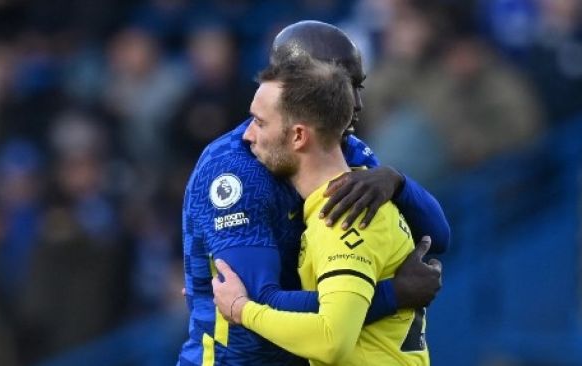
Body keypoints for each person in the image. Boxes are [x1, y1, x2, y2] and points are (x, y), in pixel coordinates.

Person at [178, 21, 449, 366]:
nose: (358, 102)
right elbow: (255, 303)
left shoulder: (350, 154)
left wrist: (398, 183)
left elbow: (435, 238)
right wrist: (392, 294)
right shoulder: (234, 172)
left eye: (356, 86)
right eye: (348, 85)